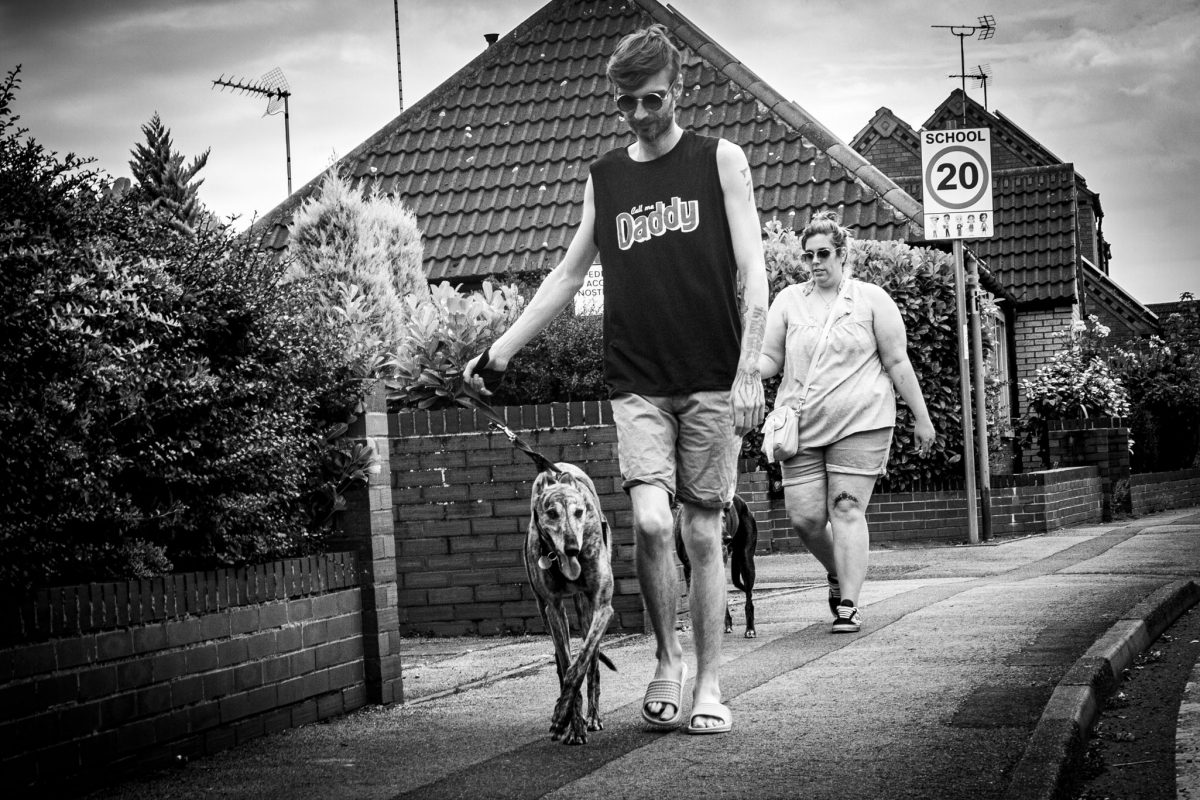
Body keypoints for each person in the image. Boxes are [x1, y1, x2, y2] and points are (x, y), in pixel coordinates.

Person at [464, 24, 768, 734]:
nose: (638, 114)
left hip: (712, 377)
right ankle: (667, 658)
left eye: (652, 99)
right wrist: (500, 351)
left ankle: (709, 683)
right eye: (625, 103)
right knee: (653, 522)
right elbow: (568, 275)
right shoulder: (607, 177)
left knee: (702, 533)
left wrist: (750, 368)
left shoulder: (721, 161)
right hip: (638, 380)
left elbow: (754, 271)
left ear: (679, 90)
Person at [757, 211, 935, 633]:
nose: (815, 262)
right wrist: (742, 371)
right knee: (804, 519)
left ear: (841, 254)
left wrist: (922, 417)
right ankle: (839, 571)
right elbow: (771, 359)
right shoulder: (789, 301)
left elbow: (897, 362)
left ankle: (849, 604)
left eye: (823, 254)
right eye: (808, 256)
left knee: (846, 507)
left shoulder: (871, 299)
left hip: (862, 420)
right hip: (801, 425)